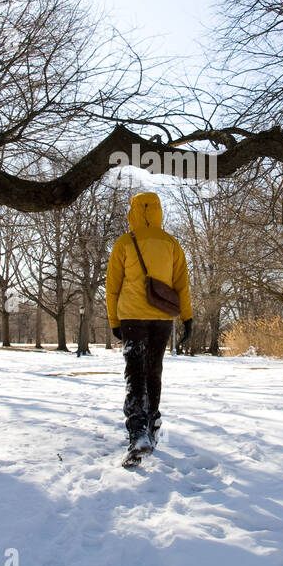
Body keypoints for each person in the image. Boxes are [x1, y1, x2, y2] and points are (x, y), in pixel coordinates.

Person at [105, 191, 193, 456]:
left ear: (133, 213)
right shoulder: (171, 243)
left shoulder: (124, 243)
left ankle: (138, 429)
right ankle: (152, 423)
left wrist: (113, 320)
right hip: (162, 318)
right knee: (154, 370)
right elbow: (182, 285)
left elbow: (112, 287)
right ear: (158, 211)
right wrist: (187, 318)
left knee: (135, 371)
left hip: (132, 316)